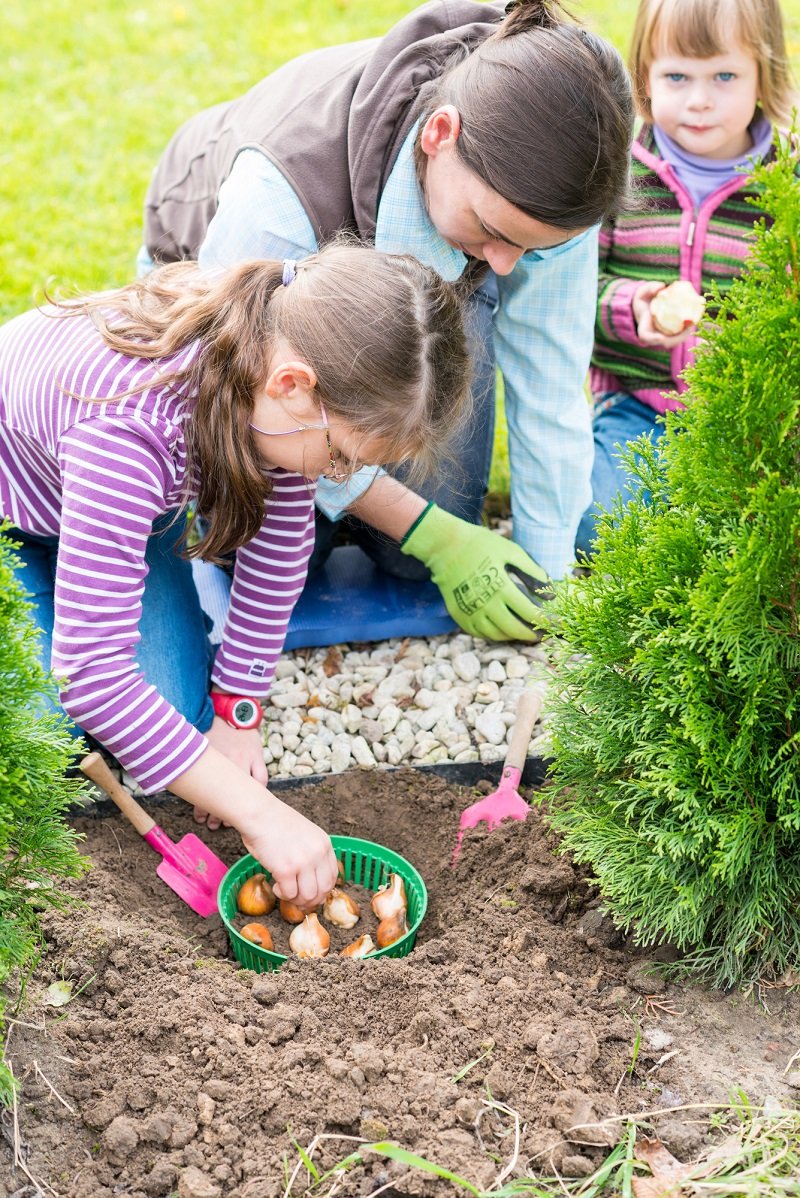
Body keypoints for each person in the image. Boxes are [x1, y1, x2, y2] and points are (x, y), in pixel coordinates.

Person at [141, 0, 634, 640]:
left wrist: (548, 578)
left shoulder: (556, 181)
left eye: (533, 249)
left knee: (402, 559)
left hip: (414, 265)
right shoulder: (277, 201)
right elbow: (234, 396)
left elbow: (550, 380)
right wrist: (434, 534)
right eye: (493, 231)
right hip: (236, 289)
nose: (509, 267)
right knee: (265, 547)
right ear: (440, 134)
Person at [0, 243, 471, 908]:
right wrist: (261, 813)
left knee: (175, 728)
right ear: (292, 385)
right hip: (15, 513)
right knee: (46, 734)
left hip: (111, 508)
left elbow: (280, 548)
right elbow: (92, 675)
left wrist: (238, 710)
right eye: (339, 458)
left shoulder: (272, 361)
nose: (331, 478)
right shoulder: (129, 430)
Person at [575, 0, 796, 559]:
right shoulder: (617, 172)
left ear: (763, 75)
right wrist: (633, 309)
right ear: (645, 75)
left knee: (768, 531)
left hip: (753, 420)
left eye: (724, 76)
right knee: (598, 525)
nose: (699, 100)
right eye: (677, 76)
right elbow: (574, 297)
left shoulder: (785, 185)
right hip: (638, 406)